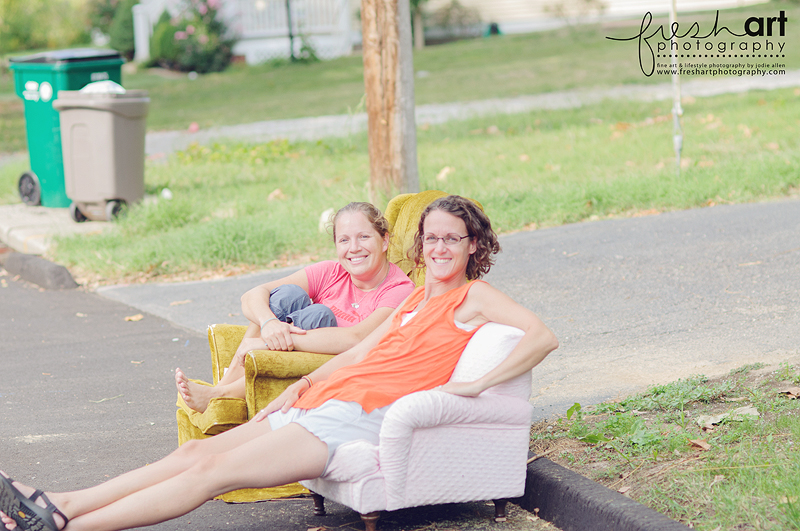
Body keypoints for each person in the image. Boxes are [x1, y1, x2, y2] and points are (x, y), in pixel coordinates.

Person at [0, 195, 559, 531]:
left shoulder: (475, 297)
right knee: (196, 450)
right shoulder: (415, 296)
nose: (439, 248)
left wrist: (479, 383)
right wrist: (305, 385)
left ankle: (66, 526)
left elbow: (542, 337)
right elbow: (364, 350)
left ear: (472, 245)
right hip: (323, 399)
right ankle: (61, 503)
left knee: (212, 473)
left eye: (451, 239)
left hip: (357, 417)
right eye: (431, 238)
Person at [175, 201, 416, 413]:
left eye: (363, 237)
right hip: (291, 348)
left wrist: (268, 342)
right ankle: (222, 386)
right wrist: (270, 325)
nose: (353, 248)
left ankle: (220, 395)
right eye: (344, 240)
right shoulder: (331, 272)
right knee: (286, 295)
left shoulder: (399, 289)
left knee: (319, 314)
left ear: (384, 240)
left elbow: (357, 338)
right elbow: (251, 296)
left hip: (327, 365)